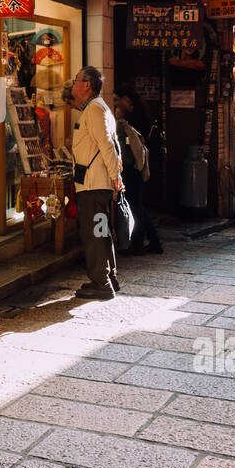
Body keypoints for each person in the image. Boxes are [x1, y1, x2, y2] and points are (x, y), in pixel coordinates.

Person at [71, 66, 123, 299]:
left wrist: (115, 176)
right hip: (98, 183)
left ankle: (101, 283)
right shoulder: (99, 107)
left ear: (86, 85)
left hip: (94, 184)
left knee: (94, 233)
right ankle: (108, 278)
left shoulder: (93, 109)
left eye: (76, 81)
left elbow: (107, 146)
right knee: (101, 231)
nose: (73, 85)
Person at [115, 95, 162, 255]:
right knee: (137, 206)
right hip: (136, 169)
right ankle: (150, 241)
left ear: (127, 99)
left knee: (135, 207)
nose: (115, 103)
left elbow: (128, 149)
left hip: (130, 169)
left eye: (117, 99)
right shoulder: (136, 119)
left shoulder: (125, 123)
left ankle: (139, 243)